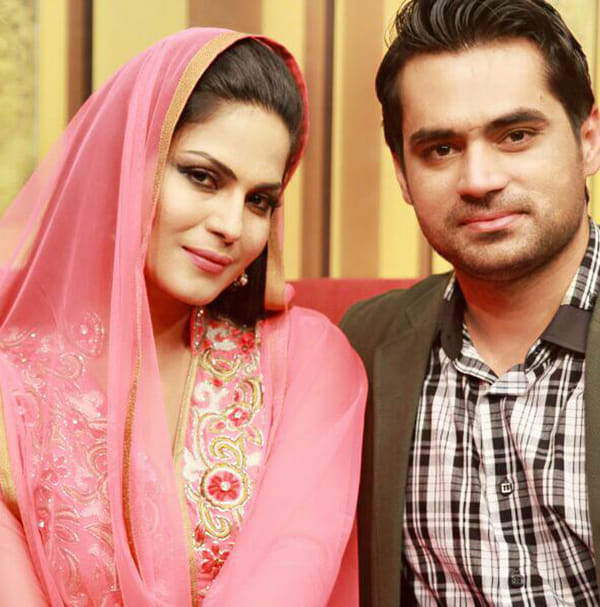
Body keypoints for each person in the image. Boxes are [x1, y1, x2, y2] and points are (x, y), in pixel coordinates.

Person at [0, 28, 366, 606]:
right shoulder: (13, 381)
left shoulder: (309, 362)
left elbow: (294, 567)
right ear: (123, 168)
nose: (231, 225)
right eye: (202, 177)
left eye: (259, 200)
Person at [340, 1, 600, 605]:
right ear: (403, 175)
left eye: (516, 135)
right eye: (440, 149)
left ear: (588, 139)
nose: (478, 180)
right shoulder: (360, 348)